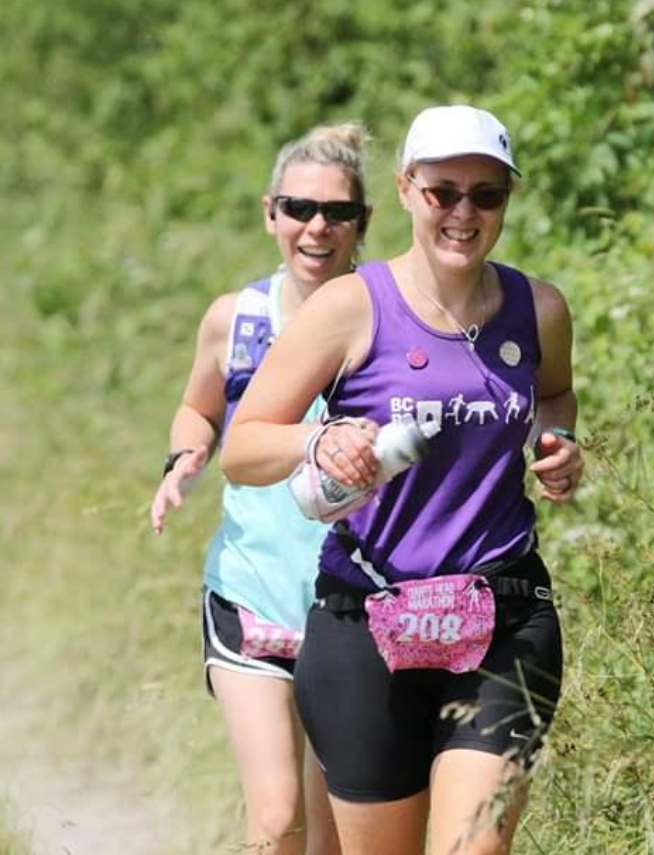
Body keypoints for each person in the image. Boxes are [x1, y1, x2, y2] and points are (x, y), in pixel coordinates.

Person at [220, 104, 583, 855]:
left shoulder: (539, 308)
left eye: (486, 195)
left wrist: (558, 441)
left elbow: (555, 393)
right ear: (406, 189)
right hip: (366, 621)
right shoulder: (350, 306)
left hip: (502, 614)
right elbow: (244, 447)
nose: (463, 213)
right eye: (443, 192)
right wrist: (320, 440)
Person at [150, 121, 373, 855]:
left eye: (337, 212)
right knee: (277, 820)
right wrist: (184, 457)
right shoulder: (236, 318)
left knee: (330, 836)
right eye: (298, 208)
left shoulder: (387, 317)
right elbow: (198, 407)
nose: (317, 227)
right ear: (270, 214)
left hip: (355, 604)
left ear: (363, 222)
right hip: (251, 593)